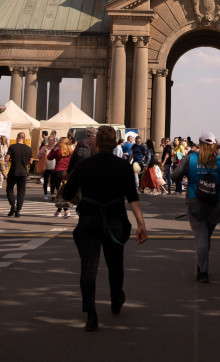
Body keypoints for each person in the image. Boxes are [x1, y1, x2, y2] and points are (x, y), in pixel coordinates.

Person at [60, 125, 148, 332]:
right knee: (115, 264)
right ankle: (116, 298)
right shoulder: (124, 167)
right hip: (115, 221)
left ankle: (91, 313)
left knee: (89, 267)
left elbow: (67, 194)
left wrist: (83, 200)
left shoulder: (84, 166)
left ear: (97, 143)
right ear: (115, 143)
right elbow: (132, 198)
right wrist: (141, 224)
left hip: (89, 220)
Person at [171, 131, 220, 283]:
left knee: (201, 236)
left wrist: (189, 177)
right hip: (215, 203)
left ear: (199, 143)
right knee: (205, 236)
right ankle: (201, 265)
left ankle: (203, 271)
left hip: (195, 202)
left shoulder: (190, 159)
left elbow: (174, 176)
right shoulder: (219, 162)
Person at [5, 132, 33, 217]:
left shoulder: (12, 147)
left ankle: (13, 205)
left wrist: (10, 159)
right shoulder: (28, 148)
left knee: (9, 188)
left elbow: (6, 159)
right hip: (23, 172)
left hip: (13, 171)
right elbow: (31, 161)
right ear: (24, 139)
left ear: (17, 138)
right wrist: (26, 162)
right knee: (21, 191)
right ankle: (18, 210)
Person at [49, 138, 72, 212]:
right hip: (68, 173)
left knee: (59, 191)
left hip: (58, 172)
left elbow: (49, 157)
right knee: (65, 191)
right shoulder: (71, 152)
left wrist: (53, 148)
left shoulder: (58, 151)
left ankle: (65, 210)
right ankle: (60, 210)